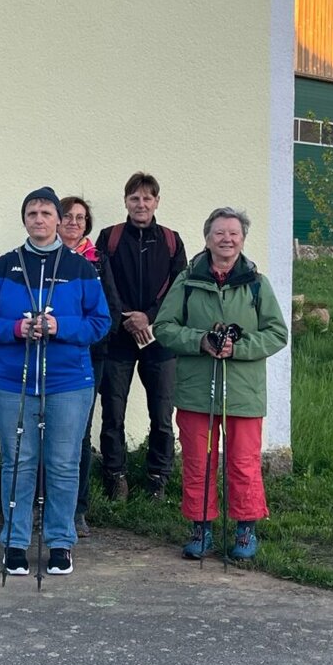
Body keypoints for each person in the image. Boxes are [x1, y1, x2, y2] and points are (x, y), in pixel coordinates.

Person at [0, 187, 111, 576]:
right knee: (19, 461)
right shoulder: (5, 265)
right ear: (24, 220)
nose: (39, 219)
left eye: (46, 213)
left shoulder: (80, 268)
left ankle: (59, 542)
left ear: (59, 220)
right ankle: (15, 543)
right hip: (11, 380)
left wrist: (59, 326)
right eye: (32, 213)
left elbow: (100, 322)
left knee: (63, 464)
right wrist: (17, 327)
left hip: (68, 381)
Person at [154, 207, 288, 560]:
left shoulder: (257, 284)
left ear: (243, 239)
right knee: (199, 461)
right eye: (219, 233)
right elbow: (164, 328)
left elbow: (277, 333)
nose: (227, 239)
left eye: (234, 233)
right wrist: (199, 340)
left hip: (244, 391)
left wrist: (238, 347)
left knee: (243, 462)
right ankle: (201, 527)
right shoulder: (186, 281)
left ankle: (245, 529)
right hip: (197, 390)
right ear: (207, 237)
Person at [95, 172, 186, 502]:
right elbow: (104, 284)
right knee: (113, 413)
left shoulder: (172, 240)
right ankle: (115, 475)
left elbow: (178, 288)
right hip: (118, 338)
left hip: (159, 340)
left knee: (162, 415)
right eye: (135, 198)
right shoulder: (109, 237)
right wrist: (126, 318)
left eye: (147, 198)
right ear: (126, 202)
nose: (141, 203)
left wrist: (148, 316)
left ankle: (157, 478)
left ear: (157, 202)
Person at [59, 195, 121, 537]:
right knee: (46, 433)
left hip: (87, 357)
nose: (72, 222)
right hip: (47, 356)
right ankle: (45, 505)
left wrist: (80, 336)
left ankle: (77, 509)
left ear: (87, 225)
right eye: (67, 216)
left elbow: (108, 312)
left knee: (78, 434)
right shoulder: (42, 259)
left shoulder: (97, 262)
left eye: (80, 218)